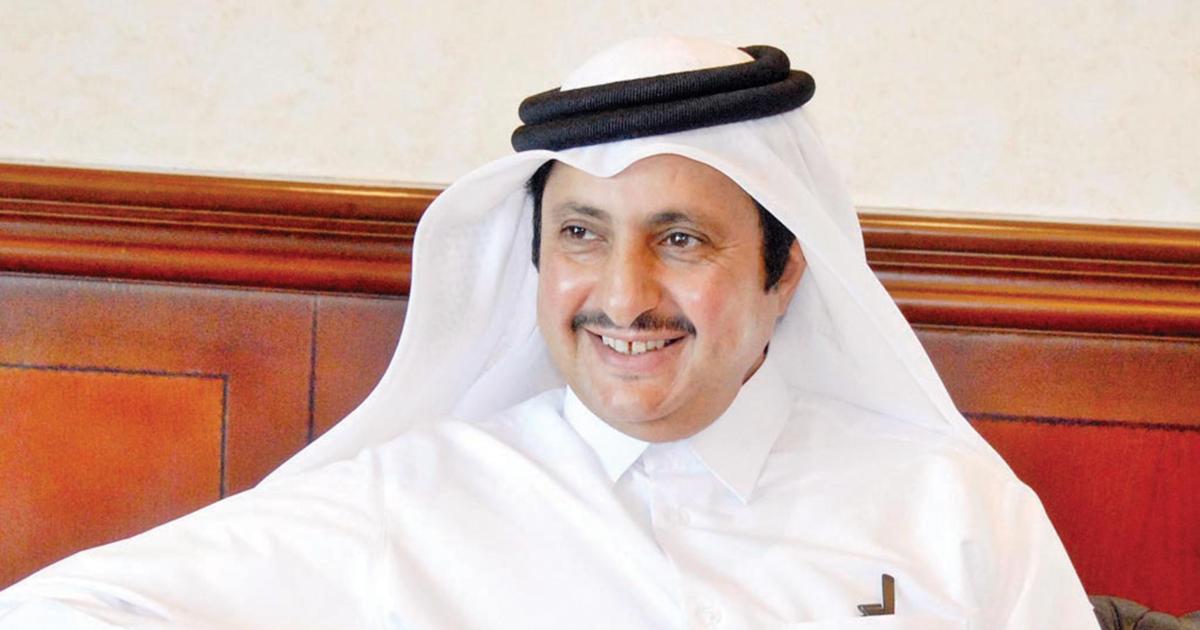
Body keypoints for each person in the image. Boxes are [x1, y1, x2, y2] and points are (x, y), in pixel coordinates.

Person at [0, 37, 1098, 628]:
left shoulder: (950, 507)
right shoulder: (409, 503)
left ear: (785, 270)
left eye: (680, 240)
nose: (623, 297)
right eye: (582, 234)